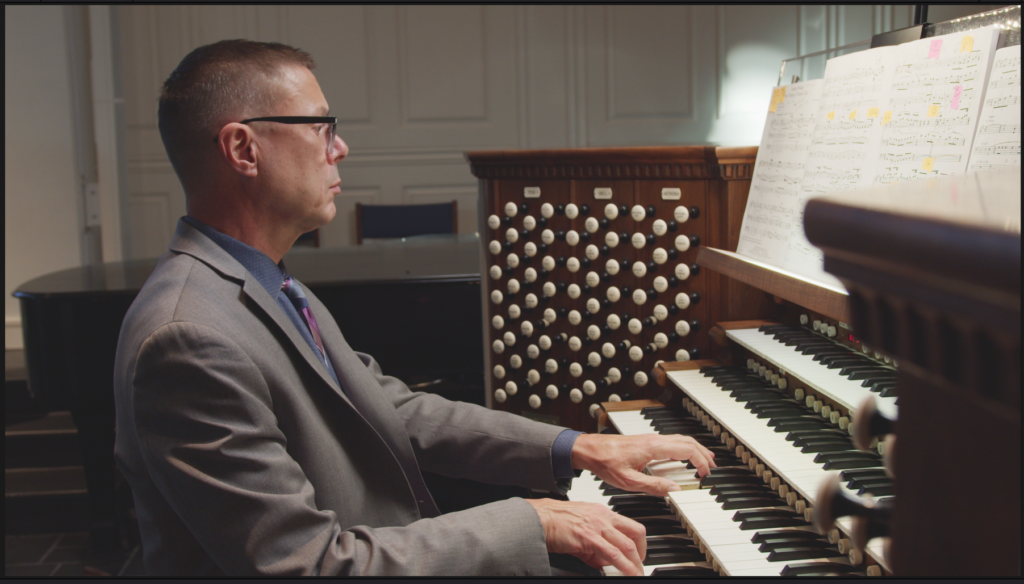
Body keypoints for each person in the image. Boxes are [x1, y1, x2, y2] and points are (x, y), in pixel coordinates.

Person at [113, 39, 716, 577]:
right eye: (322, 127)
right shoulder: (188, 337)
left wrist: (577, 447)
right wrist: (531, 521)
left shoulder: (262, 282)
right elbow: (308, 564)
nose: (340, 148)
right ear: (244, 148)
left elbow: (393, 409)